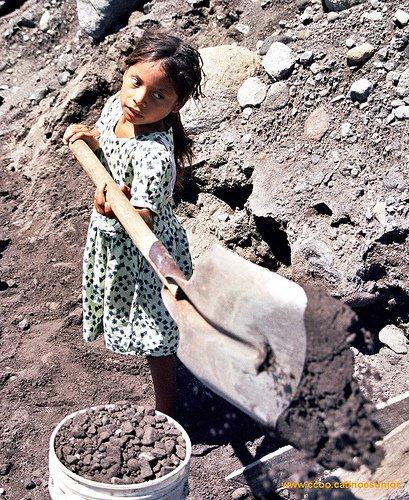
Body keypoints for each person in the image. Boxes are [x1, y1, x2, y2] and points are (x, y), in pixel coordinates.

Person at [62, 30, 203, 417]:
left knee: (157, 333)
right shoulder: (117, 106)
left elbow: (143, 219)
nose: (139, 100)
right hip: (116, 239)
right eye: (135, 82)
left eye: (158, 96)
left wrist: (114, 208)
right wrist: (92, 139)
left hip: (147, 252)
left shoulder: (154, 156)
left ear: (177, 104)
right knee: (141, 318)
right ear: (126, 72)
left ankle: (167, 413)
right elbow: (107, 139)